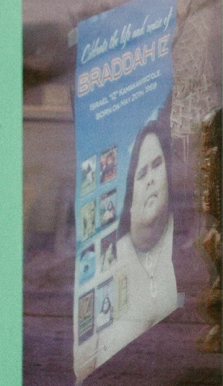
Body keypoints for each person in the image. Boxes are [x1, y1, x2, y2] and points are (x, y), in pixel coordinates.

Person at [76, 117, 180, 378]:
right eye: (140, 174)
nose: (150, 180)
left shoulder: (185, 238)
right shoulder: (105, 265)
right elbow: (82, 369)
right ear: (128, 195)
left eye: (157, 166)